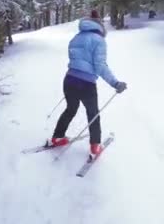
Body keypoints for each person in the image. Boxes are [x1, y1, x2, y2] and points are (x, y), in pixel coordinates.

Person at [48, 10, 127, 157]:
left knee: (70, 109)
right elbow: (100, 66)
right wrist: (115, 83)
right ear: (99, 25)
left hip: (69, 79)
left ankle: (57, 137)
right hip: (86, 84)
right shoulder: (99, 40)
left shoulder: (75, 38)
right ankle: (95, 147)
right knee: (93, 114)